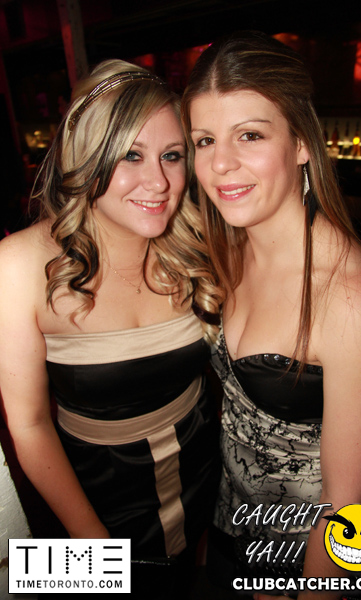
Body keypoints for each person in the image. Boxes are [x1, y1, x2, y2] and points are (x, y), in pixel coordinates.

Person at [181, 31, 361, 598]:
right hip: (228, 531)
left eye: (250, 135)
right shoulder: (229, 249)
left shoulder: (350, 297)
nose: (220, 163)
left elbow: (346, 510)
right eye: (204, 140)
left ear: (302, 142)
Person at [0, 59, 223, 599]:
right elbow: (29, 424)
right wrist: (92, 545)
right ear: (87, 158)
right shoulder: (17, 265)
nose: (159, 182)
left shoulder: (196, 246)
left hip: (200, 469)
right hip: (89, 495)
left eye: (173, 155)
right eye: (131, 155)